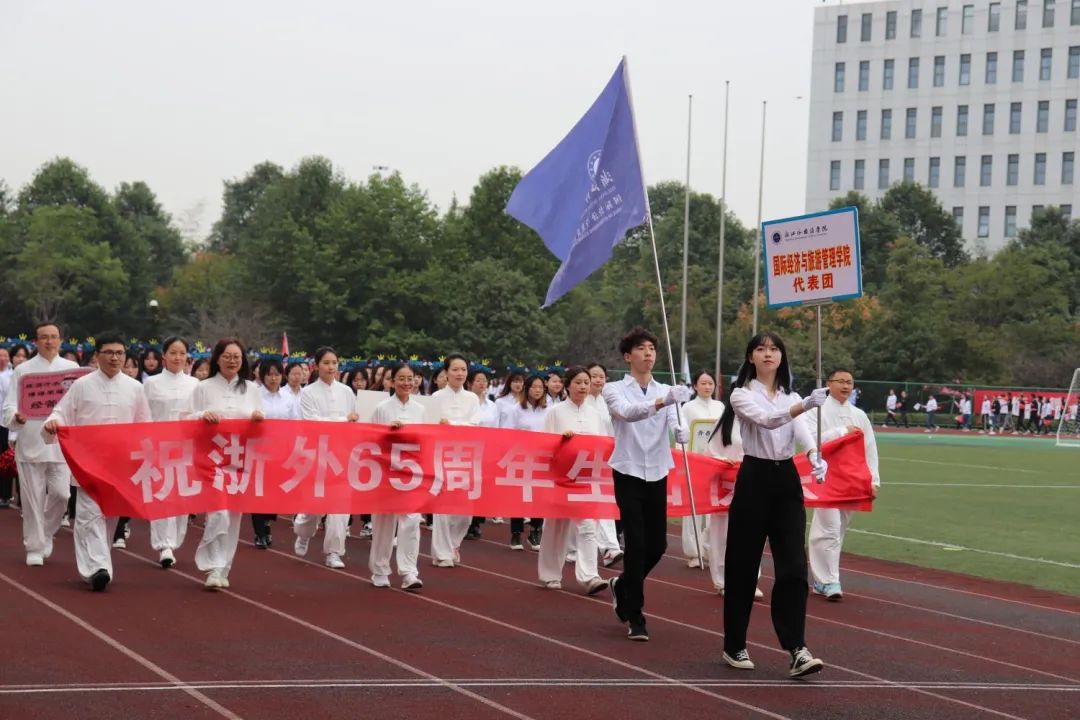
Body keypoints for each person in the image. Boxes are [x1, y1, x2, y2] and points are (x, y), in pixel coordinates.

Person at [719, 330, 827, 678]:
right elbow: (768, 421)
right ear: (750, 357)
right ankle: (734, 643)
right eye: (761, 349)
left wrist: (814, 455)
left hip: (786, 481)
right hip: (754, 478)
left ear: (782, 356)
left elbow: (801, 431)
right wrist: (804, 404)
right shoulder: (740, 395)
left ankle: (797, 648)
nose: (768, 354)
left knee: (794, 567)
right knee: (743, 566)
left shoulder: (790, 395)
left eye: (774, 349)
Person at [43, 332, 151, 591]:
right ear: (97, 355)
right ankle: (98, 568)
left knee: (109, 517)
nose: (115, 358)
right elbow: (60, 412)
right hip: (88, 463)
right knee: (88, 515)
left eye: (119, 353)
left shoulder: (135, 388)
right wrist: (53, 423)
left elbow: (145, 425)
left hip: (121, 465)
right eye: (109, 352)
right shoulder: (81, 385)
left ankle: (96, 564)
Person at [603, 327, 689, 642]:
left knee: (658, 545)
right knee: (636, 543)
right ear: (628, 356)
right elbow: (627, 414)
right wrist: (662, 402)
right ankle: (635, 613)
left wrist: (680, 428)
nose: (648, 353)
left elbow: (674, 420)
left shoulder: (666, 389)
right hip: (627, 471)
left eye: (652, 348)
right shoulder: (614, 389)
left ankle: (623, 584)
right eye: (641, 348)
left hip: (657, 470)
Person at [183, 338, 264, 589]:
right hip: (211, 459)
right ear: (217, 359)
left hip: (239, 459)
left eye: (236, 357)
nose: (232, 361)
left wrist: (259, 418)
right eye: (227, 356)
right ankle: (213, 566)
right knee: (218, 512)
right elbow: (184, 419)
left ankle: (223, 568)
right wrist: (201, 415)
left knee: (234, 515)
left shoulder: (252, 389)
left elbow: (262, 424)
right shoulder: (203, 388)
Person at [1, 323, 80, 567]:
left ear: (60, 340)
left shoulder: (72, 370)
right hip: (31, 442)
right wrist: (16, 417)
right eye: (44, 337)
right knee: (32, 500)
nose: (49, 341)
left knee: (62, 494)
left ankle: (45, 532)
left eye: (54, 337)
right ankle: (34, 546)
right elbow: (9, 406)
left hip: (61, 445)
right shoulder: (23, 370)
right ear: (35, 342)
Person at [807, 368, 881, 601]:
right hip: (826, 477)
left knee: (838, 530)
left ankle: (822, 579)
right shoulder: (816, 411)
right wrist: (841, 432)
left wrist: (873, 479)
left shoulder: (859, 415)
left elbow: (870, 448)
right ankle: (829, 580)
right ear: (829, 383)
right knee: (829, 527)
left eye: (849, 382)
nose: (846, 386)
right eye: (841, 381)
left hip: (852, 479)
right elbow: (811, 440)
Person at [537, 366, 608, 595]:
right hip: (560, 478)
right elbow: (544, 445)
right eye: (578, 382)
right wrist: (562, 441)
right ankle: (550, 575)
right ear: (567, 385)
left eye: (586, 382)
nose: (583, 387)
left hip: (586, 480)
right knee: (556, 527)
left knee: (588, 526)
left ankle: (589, 577)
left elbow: (604, 444)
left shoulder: (596, 415)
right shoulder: (555, 412)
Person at [293, 347, 358, 569]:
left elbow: (355, 421)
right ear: (317, 366)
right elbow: (312, 423)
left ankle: (334, 552)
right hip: (317, 456)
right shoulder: (308, 393)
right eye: (326, 363)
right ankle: (303, 534)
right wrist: (343, 421)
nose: (331, 367)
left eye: (334, 363)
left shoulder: (347, 392)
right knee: (314, 507)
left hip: (342, 455)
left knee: (340, 507)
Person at [142, 336, 200, 567]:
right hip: (158, 447)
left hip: (186, 448)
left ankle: (174, 541)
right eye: (173, 353)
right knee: (161, 493)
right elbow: (144, 415)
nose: (178, 357)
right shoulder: (151, 384)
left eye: (182, 353)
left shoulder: (195, 385)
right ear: (164, 356)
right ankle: (164, 545)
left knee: (181, 496)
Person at [368, 362, 426, 590]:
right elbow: (369, 439)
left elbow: (426, 440)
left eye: (410, 378)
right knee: (383, 523)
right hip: (385, 472)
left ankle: (409, 572)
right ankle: (380, 570)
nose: (406, 383)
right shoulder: (381, 408)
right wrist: (386, 432)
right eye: (401, 378)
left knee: (411, 521)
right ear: (392, 382)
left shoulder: (420, 409)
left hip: (411, 474)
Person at [430, 354, 479, 567]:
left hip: (466, 456)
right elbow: (431, 425)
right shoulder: (436, 397)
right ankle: (442, 553)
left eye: (463, 370)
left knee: (465, 510)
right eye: (455, 369)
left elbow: (475, 424)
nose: (460, 374)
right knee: (442, 506)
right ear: (446, 372)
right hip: (441, 455)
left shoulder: (473, 398)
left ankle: (454, 544)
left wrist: (451, 425)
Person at [253, 357, 300, 548]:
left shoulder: (288, 398)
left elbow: (295, 423)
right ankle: (260, 533)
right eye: (269, 375)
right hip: (258, 451)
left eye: (277, 374)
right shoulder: (255, 396)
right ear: (262, 376)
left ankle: (267, 521)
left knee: (273, 491)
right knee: (258, 491)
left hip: (280, 451)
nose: (273, 379)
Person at [679, 370, 723, 568]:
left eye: (710, 383)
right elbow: (681, 434)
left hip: (716, 463)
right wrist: (683, 460)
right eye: (703, 383)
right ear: (695, 386)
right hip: (694, 463)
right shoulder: (687, 408)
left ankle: (710, 548)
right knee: (693, 509)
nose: (707, 387)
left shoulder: (720, 407)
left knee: (714, 510)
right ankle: (694, 552)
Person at [504, 375, 548, 551]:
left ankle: (535, 530)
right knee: (519, 496)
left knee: (540, 496)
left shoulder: (548, 410)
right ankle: (516, 533)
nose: (537, 390)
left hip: (542, 459)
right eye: (534, 387)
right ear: (527, 388)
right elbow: (507, 433)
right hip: (521, 458)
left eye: (540, 387)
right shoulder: (516, 409)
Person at [586, 363, 623, 568]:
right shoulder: (579, 403)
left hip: (606, 461)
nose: (598, 380)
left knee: (603, 503)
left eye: (602, 376)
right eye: (594, 376)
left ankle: (610, 548)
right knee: (583, 508)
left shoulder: (608, 402)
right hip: (583, 462)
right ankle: (574, 548)